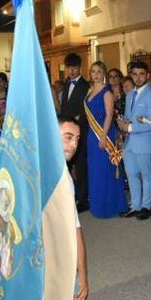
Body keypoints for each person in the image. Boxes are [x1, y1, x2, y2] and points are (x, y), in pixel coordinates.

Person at [82, 61, 127, 218]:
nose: (95, 74)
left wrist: (103, 136)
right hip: (91, 134)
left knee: (105, 169)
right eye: (93, 71)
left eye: (99, 72)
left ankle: (109, 205)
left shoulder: (107, 92)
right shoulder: (90, 90)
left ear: (103, 74)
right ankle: (97, 203)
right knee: (95, 170)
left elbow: (109, 115)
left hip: (104, 133)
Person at [118, 61, 151, 220]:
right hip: (129, 142)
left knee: (146, 175)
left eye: (142, 74)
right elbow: (128, 117)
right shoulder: (129, 94)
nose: (138, 77)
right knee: (132, 174)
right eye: (135, 74)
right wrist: (122, 125)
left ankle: (146, 206)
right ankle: (135, 206)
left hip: (145, 141)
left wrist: (131, 128)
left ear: (147, 75)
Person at [58, 117, 89, 300]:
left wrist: (83, 276)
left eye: (77, 139)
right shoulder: (31, 170)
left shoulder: (66, 179)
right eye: (68, 137)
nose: (74, 144)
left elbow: (75, 229)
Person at [61, 53, 90, 211]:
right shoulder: (66, 84)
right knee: (67, 165)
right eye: (69, 68)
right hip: (67, 132)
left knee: (80, 167)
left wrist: (77, 121)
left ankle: (83, 200)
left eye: (74, 68)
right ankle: (72, 196)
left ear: (80, 68)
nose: (71, 71)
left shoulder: (86, 86)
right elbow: (64, 107)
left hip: (81, 132)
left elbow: (87, 110)